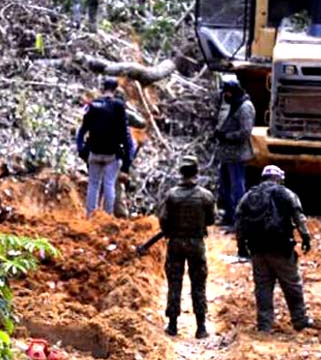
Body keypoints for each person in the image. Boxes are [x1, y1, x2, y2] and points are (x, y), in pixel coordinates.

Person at [235, 165, 315, 333]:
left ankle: (264, 325)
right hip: (280, 247)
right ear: (279, 178)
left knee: (263, 286)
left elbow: (239, 223)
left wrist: (241, 247)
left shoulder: (249, 196)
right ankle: (299, 320)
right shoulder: (286, 194)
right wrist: (305, 238)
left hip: (257, 248)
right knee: (292, 284)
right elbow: (298, 217)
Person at [143, 155, 216, 339]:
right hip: (196, 243)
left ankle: (173, 325)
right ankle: (201, 328)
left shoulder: (172, 195)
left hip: (175, 243)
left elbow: (163, 220)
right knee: (198, 284)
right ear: (196, 172)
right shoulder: (205, 196)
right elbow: (211, 220)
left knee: (174, 284)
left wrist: (170, 230)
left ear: (181, 172)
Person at [76, 77, 130, 217]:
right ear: (115, 90)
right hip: (111, 154)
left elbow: (82, 130)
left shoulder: (93, 105)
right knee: (109, 184)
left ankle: (90, 215)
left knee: (93, 184)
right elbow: (124, 132)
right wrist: (126, 158)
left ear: (103, 88)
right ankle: (107, 216)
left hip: (94, 152)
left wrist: (81, 149)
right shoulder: (118, 106)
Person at [214, 78, 255, 230]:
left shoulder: (245, 107)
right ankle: (229, 216)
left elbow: (245, 132)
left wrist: (227, 136)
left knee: (237, 187)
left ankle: (238, 220)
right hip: (226, 155)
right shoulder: (233, 104)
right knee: (225, 187)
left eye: (228, 93)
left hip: (237, 155)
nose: (226, 96)